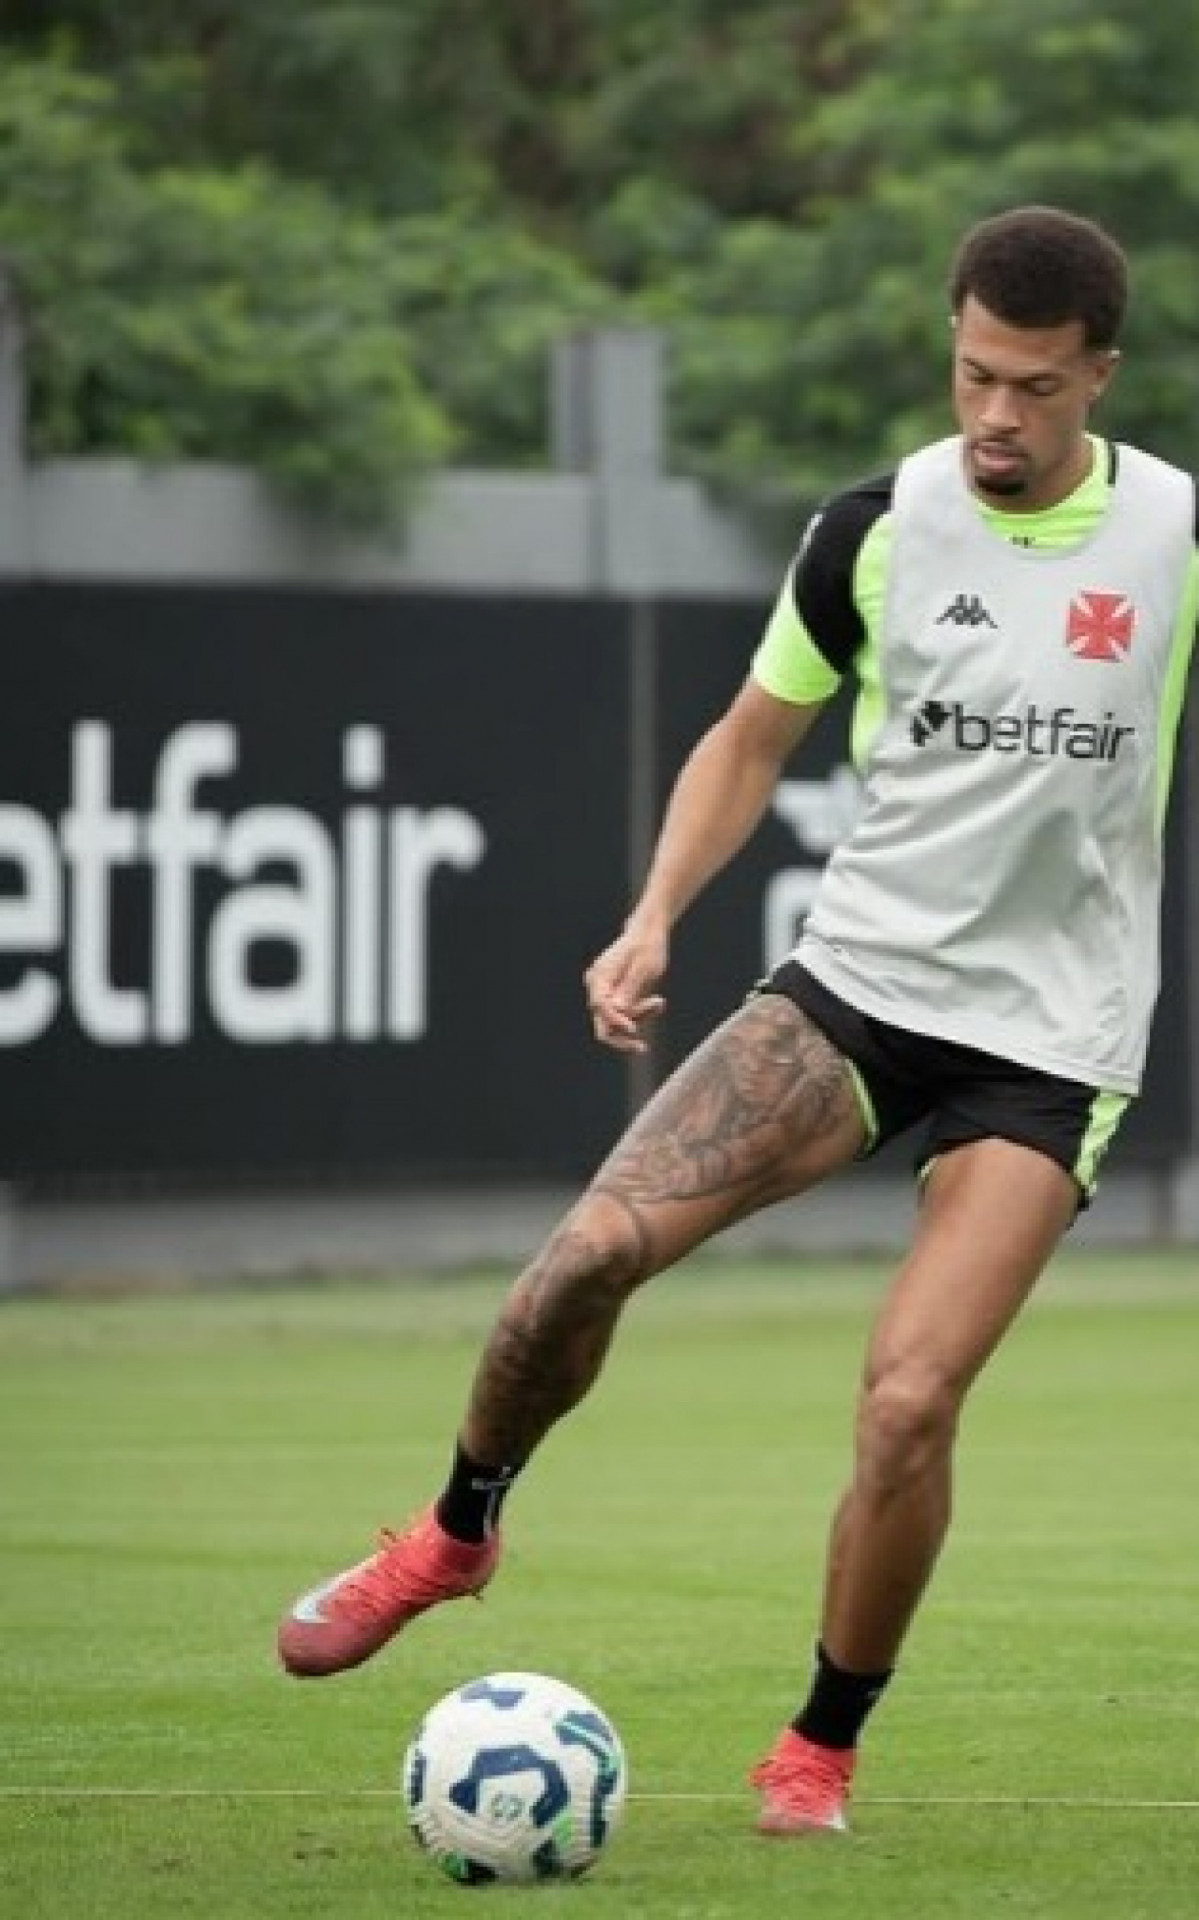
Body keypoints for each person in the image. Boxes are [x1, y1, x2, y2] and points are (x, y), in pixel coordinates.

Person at [277, 205, 1199, 1836]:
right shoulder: (878, 527)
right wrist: (651, 920)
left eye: (1037, 389)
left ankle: (818, 1750)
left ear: (1100, 379)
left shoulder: (1178, 543)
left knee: (910, 1402)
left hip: (1055, 1042)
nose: (996, 416)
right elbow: (748, 739)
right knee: (580, 1263)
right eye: (976, 373)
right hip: (860, 985)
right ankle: (456, 1530)